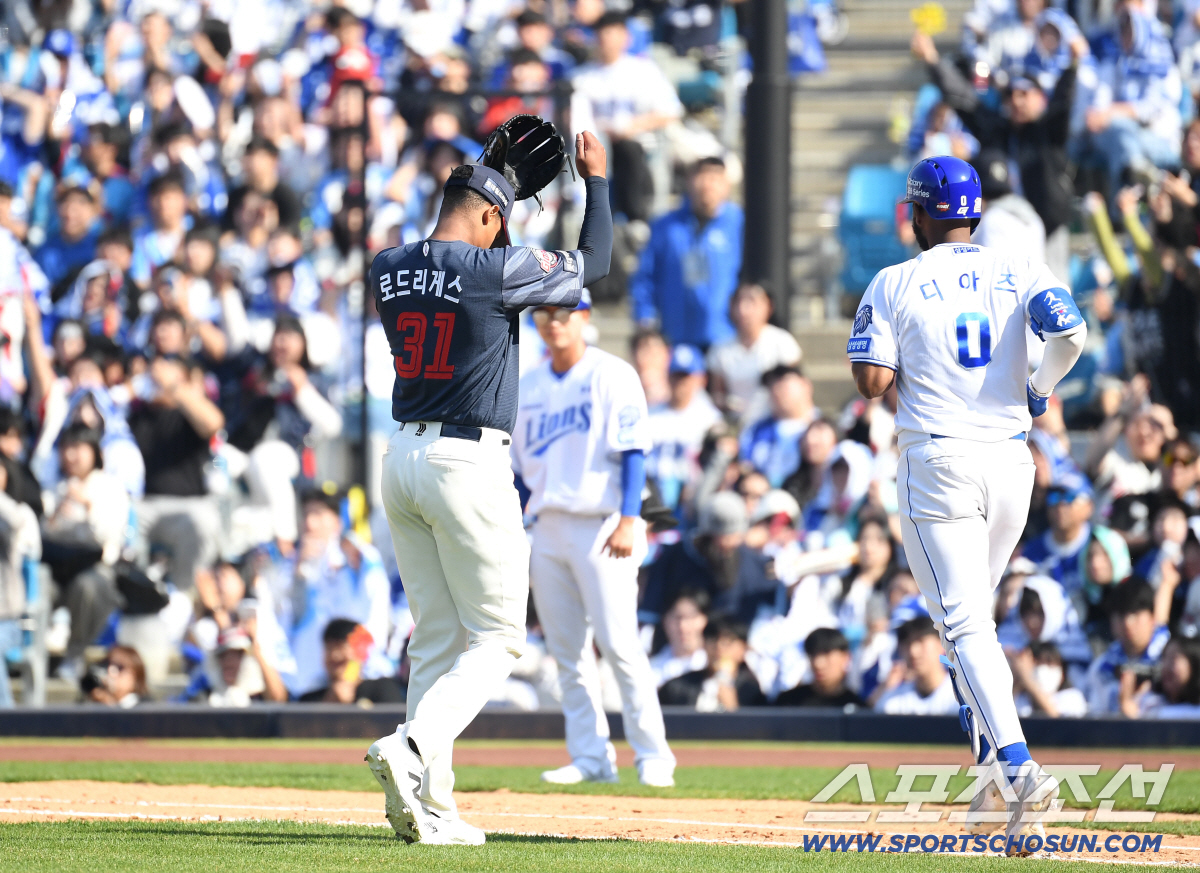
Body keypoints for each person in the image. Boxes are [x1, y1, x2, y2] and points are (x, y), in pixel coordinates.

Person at [364, 130, 611, 846]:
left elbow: (451, 261)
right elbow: (593, 263)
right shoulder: (491, 271)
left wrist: (491, 183)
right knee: (499, 636)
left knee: (436, 638)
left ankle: (431, 806)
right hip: (465, 462)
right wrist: (596, 182)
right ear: (491, 219)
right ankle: (412, 748)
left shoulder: (387, 265)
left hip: (401, 457)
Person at [847, 155, 1087, 847]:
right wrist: (1040, 387)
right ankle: (990, 783)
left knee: (962, 625)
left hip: (941, 462)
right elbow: (1072, 334)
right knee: (967, 629)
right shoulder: (1017, 267)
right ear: (974, 212)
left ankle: (1018, 767)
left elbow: (870, 381)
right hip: (1013, 464)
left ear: (918, 214)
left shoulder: (897, 279)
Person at [512, 286, 675, 788]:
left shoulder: (612, 374)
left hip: (604, 522)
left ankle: (653, 755)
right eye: (544, 313)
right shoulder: (528, 385)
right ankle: (590, 755)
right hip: (548, 525)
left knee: (620, 645)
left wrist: (630, 519)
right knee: (568, 653)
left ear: (585, 317)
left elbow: (633, 453)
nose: (554, 322)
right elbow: (519, 472)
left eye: (564, 312)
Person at [630, 157, 743, 348]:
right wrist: (645, 317)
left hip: (725, 336)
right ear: (689, 181)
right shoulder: (665, 227)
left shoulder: (739, 225)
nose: (707, 185)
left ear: (726, 185)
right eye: (702, 177)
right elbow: (645, 276)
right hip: (675, 335)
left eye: (715, 178)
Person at [706, 282, 803, 425]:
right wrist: (727, 404)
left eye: (752, 301)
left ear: (768, 306)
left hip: (775, 421)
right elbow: (717, 394)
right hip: (735, 422)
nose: (744, 309)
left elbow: (794, 389)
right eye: (739, 302)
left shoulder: (783, 343)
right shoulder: (720, 350)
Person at [299, 619, 404, 704]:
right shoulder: (309, 701)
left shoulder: (383, 689)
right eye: (329, 648)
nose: (335, 655)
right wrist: (329, 703)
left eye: (341, 646)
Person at [874, 615, 958, 715]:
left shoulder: (961, 697)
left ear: (941, 643)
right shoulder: (892, 702)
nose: (913, 651)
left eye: (920, 640)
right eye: (906, 643)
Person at [774, 628, 865, 707]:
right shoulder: (789, 703)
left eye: (826, 654)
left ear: (845, 657)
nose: (818, 664)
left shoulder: (857, 708)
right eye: (813, 655)